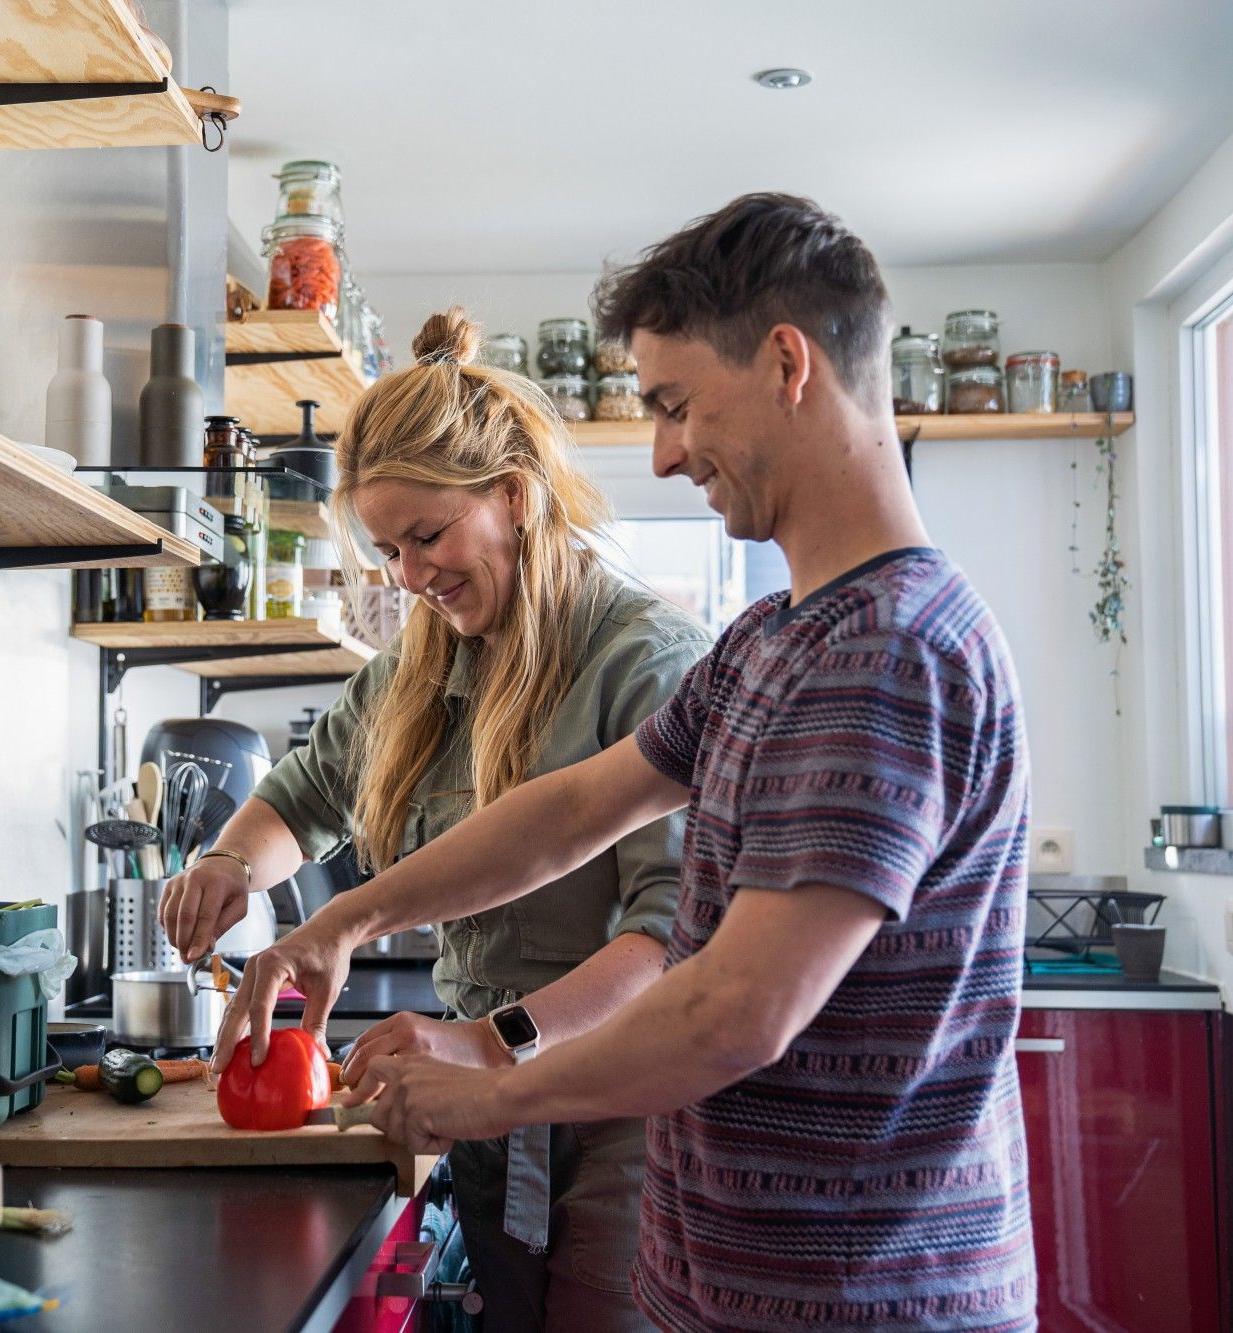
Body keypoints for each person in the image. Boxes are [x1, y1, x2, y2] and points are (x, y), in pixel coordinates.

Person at [215, 194, 1037, 1332]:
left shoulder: (886, 653)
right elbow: (566, 815)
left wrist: (487, 1079)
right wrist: (344, 919)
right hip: (742, 1281)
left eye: (675, 405)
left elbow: (734, 1011)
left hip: (857, 1296)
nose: (662, 452)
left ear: (787, 364)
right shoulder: (774, 639)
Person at [160, 308, 711, 1331]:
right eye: (388, 550)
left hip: (622, 1118)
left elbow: (671, 938)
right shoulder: (420, 665)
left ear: (514, 496)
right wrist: (232, 862)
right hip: (478, 1109)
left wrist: (489, 1043)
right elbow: (302, 795)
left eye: (427, 537)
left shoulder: (648, 663)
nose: (410, 577)